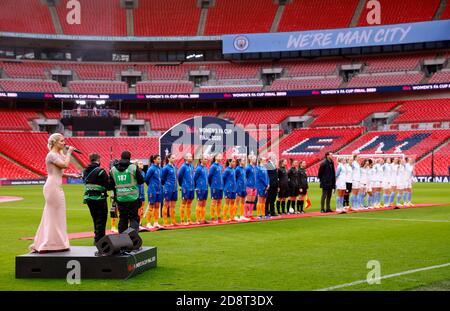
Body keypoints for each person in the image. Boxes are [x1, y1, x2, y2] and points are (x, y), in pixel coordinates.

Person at [30, 133, 80, 253]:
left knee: (56, 215)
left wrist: (71, 175)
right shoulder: (51, 155)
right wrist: (69, 153)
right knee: (54, 215)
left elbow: (59, 171)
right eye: (62, 141)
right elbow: (65, 165)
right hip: (52, 187)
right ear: (55, 142)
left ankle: (54, 243)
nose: (64, 143)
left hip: (56, 185)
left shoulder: (57, 154)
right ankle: (49, 243)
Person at [109, 151, 145, 233]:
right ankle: (133, 239)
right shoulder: (133, 167)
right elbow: (141, 180)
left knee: (123, 218)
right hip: (133, 198)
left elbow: (110, 185)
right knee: (134, 218)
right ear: (129, 157)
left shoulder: (113, 170)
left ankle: (122, 240)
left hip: (120, 198)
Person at [82, 153, 109, 244]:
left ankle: (97, 237)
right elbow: (108, 185)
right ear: (98, 159)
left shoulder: (85, 170)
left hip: (89, 197)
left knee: (95, 218)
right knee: (101, 218)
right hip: (99, 198)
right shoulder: (100, 170)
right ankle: (100, 240)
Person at [144, 155, 162, 228]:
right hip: (152, 190)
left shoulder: (160, 169)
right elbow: (146, 179)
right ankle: (148, 223)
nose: (160, 160)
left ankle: (156, 222)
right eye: (158, 159)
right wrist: (151, 186)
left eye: (160, 159)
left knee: (157, 207)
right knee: (151, 206)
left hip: (159, 190)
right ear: (154, 160)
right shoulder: (151, 169)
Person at [178, 153, 195, 225]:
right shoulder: (183, 167)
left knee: (189, 204)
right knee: (184, 203)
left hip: (192, 187)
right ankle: (182, 220)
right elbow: (179, 177)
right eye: (189, 157)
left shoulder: (191, 166)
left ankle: (189, 219)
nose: (191, 158)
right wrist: (182, 185)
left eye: (191, 156)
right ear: (185, 158)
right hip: (185, 187)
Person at [161, 153, 178, 226]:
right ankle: (165, 222)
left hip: (175, 189)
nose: (174, 159)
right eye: (173, 158)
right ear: (169, 159)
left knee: (173, 206)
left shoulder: (175, 167)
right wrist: (167, 185)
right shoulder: (166, 168)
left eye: (174, 158)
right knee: (166, 205)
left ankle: (173, 221)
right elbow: (162, 178)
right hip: (168, 188)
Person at [208, 153, 224, 223]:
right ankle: (212, 217)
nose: (220, 157)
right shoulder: (213, 166)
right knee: (214, 202)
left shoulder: (220, 166)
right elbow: (209, 177)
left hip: (220, 187)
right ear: (215, 157)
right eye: (219, 156)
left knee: (219, 202)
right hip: (214, 186)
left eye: (221, 156)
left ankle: (218, 216)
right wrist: (212, 184)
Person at [194, 154, 209, 224]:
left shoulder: (205, 168)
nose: (206, 160)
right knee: (199, 203)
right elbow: (195, 178)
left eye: (206, 159)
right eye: (205, 159)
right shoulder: (198, 168)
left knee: (204, 204)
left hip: (205, 188)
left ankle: (202, 219)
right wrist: (197, 186)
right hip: (200, 188)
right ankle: (197, 219)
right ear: (201, 160)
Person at [265, 152, 278, 217]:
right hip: (271, 184)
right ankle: (266, 211)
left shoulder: (274, 165)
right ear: (270, 157)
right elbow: (268, 176)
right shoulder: (268, 164)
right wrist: (268, 184)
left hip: (275, 184)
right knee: (269, 198)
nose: (275, 158)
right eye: (274, 157)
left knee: (273, 198)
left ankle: (272, 211)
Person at [244, 155, 257, 219]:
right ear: (250, 159)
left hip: (254, 186)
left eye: (255, 158)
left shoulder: (254, 167)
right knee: (248, 200)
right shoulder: (248, 168)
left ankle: (250, 214)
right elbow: (245, 176)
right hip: (249, 186)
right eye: (253, 158)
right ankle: (246, 214)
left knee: (252, 201)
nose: (255, 159)